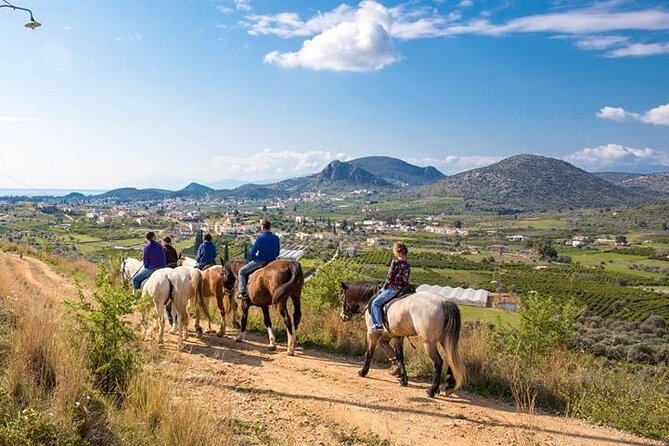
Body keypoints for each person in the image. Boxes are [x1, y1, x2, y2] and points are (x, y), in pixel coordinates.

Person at [369, 241, 411, 333]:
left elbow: (389, 277)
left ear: (398, 251)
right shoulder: (407, 264)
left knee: (375, 303)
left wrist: (383, 288)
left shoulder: (395, 262)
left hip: (393, 289)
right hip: (403, 289)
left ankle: (378, 325)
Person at [238, 219, 280, 303]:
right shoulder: (276, 238)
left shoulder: (260, 238)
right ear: (270, 227)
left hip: (261, 261)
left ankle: (242, 292)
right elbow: (277, 252)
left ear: (262, 227)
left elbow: (253, 252)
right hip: (273, 262)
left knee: (241, 271)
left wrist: (254, 258)